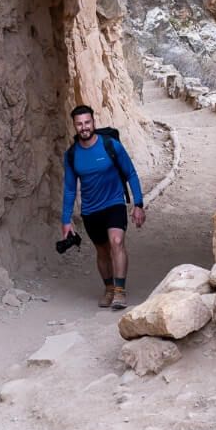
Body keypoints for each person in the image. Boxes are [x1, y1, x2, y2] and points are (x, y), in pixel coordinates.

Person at [61, 105, 146, 310]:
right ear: (75, 126)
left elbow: (131, 173)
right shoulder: (72, 155)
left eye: (87, 122)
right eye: (79, 124)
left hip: (114, 202)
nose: (84, 127)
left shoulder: (111, 145)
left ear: (93, 122)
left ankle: (119, 291)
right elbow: (70, 189)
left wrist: (138, 204)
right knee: (102, 250)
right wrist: (66, 220)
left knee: (116, 242)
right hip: (91, 210)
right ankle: (108, 288)